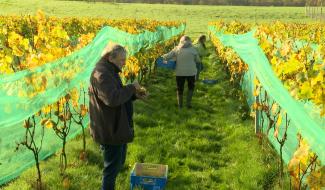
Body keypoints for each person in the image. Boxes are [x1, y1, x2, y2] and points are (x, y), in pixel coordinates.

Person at [88, 43, 147, 190]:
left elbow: (117, 95)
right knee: (111, 170)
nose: (124, 63)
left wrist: (134, 96)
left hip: (116, 125)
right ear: (110, 57)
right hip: (110, 128)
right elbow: (112, 99)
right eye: (121, 60)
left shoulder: (109, 71)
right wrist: (131, 87)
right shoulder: (101, 74)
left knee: (118, 163)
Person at [162, 35, 201, 109]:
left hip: (179, 72)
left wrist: (161, 57)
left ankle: (180, 106)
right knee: (191, 87)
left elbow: (167, 57)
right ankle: (188, 104)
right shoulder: (193, 49)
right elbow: (198, 60)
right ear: (190, 42)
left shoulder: (176, 49)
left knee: (180, 88)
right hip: (191, 72)